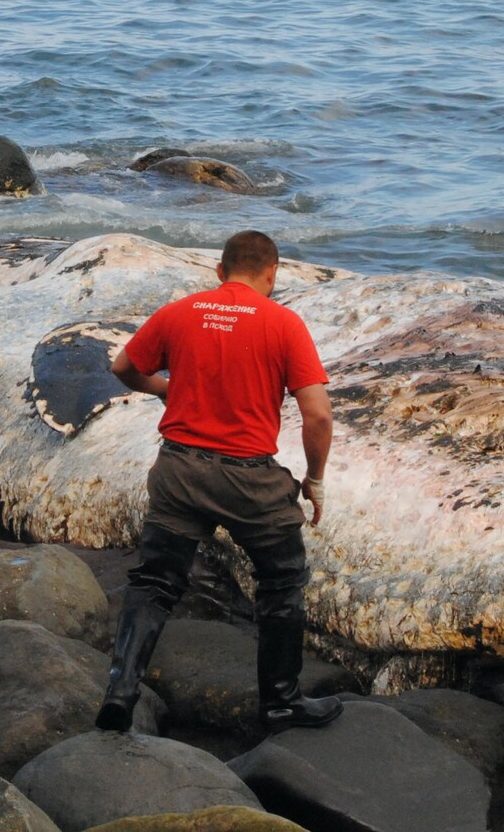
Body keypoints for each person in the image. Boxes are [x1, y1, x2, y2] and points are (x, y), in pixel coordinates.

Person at [95, 228, 343, 734]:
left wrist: (166, 388)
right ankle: (280, 703)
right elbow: (317, 415)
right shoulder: (283, 323)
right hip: (250, 480)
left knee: (155, 582)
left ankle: (120, 693)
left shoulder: (180, 312)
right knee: (281, 581)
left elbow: (123, 366)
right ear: (272, 274)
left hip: (179, 471)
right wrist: (315, 479)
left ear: (219, 271)